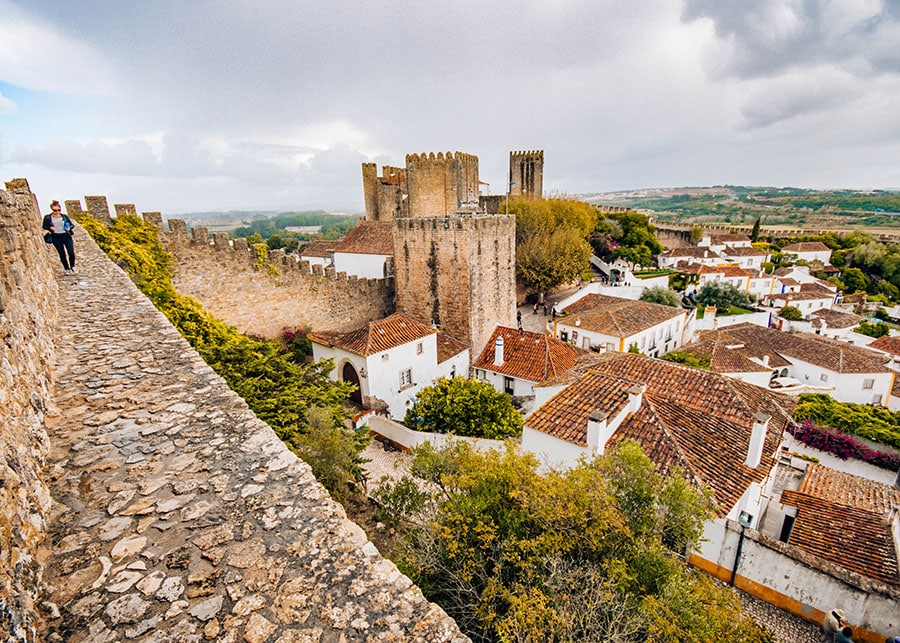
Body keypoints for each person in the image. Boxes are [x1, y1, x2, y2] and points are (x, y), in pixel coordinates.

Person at [42, 200, 76, 274]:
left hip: (66, 236)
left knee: (71, 253)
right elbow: (44, 226)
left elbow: (72, 225)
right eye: (55, 210)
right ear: (52, 209)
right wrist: (50, 227)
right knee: (62, 254)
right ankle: (66, 269)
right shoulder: (48, 217)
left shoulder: (64, 216)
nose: (57, 212)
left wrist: (69, 228)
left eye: (59, 210)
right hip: (56, 237)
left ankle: (72, 266)